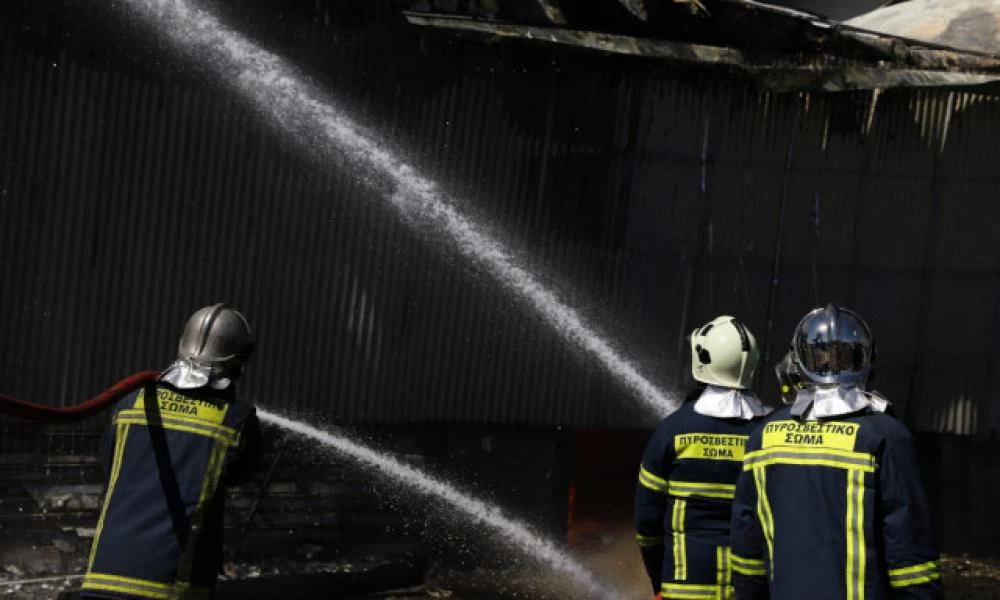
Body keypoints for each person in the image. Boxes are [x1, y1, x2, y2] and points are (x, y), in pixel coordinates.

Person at [730, 304, 942, 600]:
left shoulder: (764, 436)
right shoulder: (887, 437)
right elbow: (911, 557)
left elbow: (747, 550)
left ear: (798, 358)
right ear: (867, 358)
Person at [81, 303, 263, 599]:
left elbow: (111, 463)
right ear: (240, 360)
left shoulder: (131, 404)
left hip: (102, 580)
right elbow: (244, 470)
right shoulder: (235, 419)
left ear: (181, 345)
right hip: (171, 586)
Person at [635, 316, 772, 600]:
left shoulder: (672, 431)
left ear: (703, 359)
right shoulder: (771, 433)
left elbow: (647, 523)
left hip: (685, 586)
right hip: (751, 589)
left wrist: (658, 579)